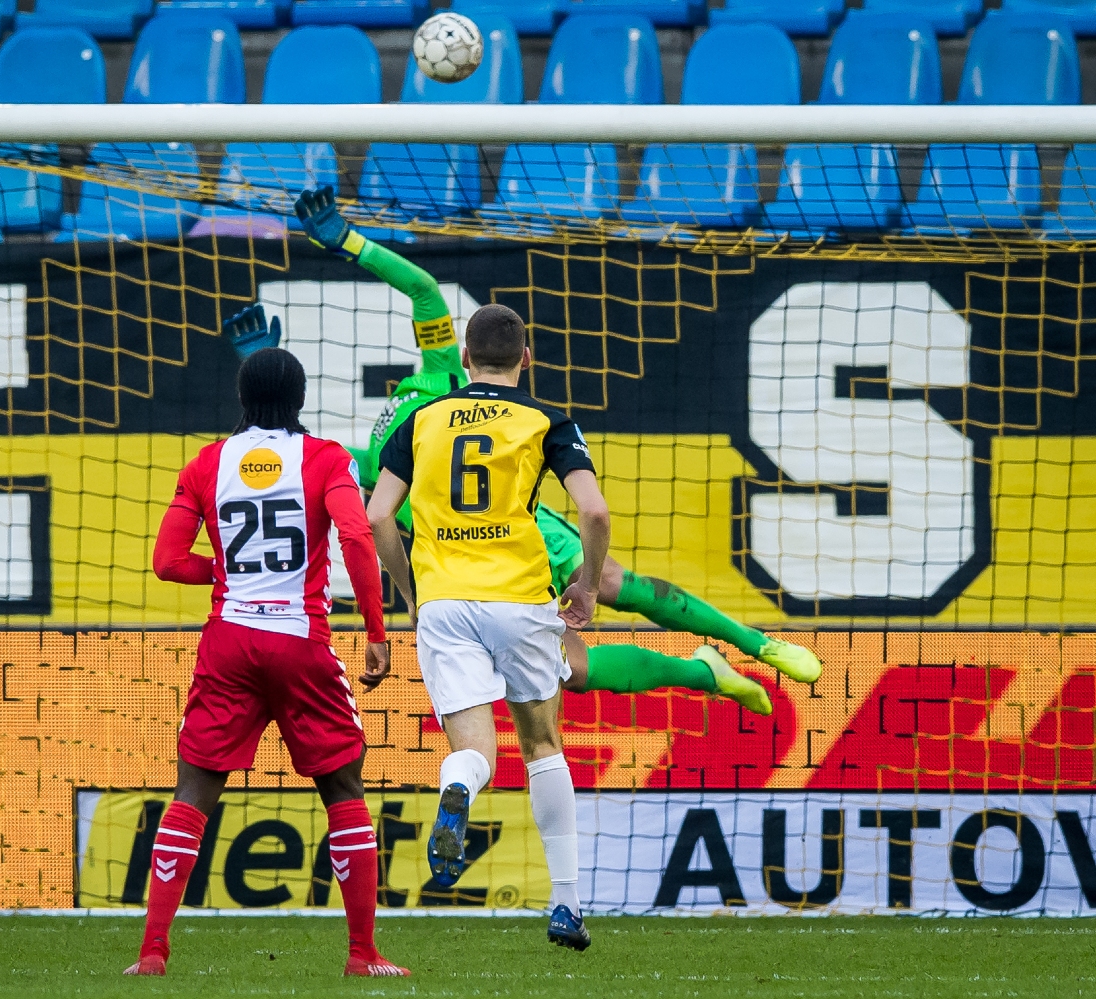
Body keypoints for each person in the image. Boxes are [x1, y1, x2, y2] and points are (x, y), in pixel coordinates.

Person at [238, 187, 820, 713]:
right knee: (578, 670)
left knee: (614, 584)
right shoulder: (378, 454)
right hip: (470, 567)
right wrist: (262, 373)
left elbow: (421, 289)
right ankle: (705, 674)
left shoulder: (441, 381)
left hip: (522, 530)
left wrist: (351, 243)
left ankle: (760, 643)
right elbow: (299, 449)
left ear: (466, 360)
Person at [125, 346, 409, 978]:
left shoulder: (206, 463)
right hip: (300, 642)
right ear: (300, 398)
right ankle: (362, 955)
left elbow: (168, 563)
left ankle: (152, 953)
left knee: (194, 788)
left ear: (241, 399)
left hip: (228, 642)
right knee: (343, 785)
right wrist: (375, 630)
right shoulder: (326, 459)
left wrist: (226, 572)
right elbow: (358, 536)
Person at [366, 302, 613, 951]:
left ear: (466, 360)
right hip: (522, 601)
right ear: (525, 360)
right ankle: (566, 905)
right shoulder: (545, 420)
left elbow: (377, 516)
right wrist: (585, 585)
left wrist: (409, 591)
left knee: (475, 750)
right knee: (542, 745)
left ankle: (456, 785)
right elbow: (593, 509)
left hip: (446, 602)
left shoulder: (421, 418)